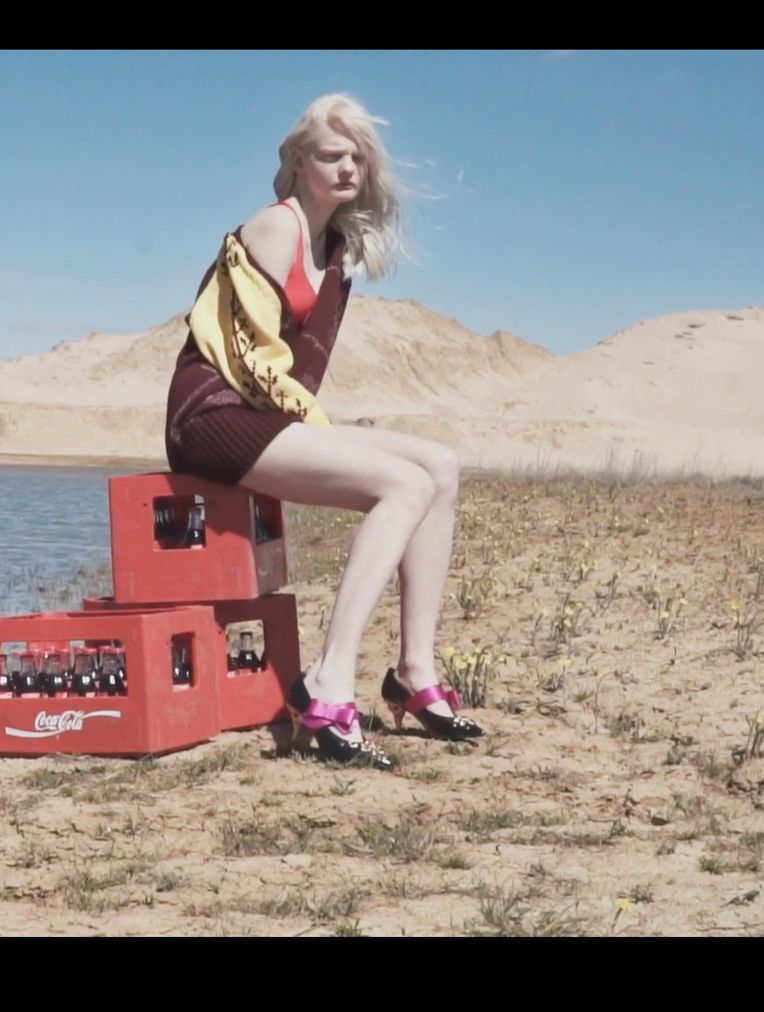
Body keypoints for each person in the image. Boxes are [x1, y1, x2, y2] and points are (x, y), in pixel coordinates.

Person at [164, 93, 483, 770]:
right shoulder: (275, 228)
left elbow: (293, 373)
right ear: (297, 161)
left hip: (265, 413)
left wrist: (323, 428)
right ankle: (327, 683)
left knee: (440, 466)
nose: (347, 169)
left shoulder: (335, 247)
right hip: (214, 414)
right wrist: (323, 430)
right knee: (401, 486)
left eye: (357, 158)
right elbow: (247, 353)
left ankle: (413, 675)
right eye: (332, 155)